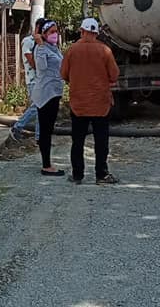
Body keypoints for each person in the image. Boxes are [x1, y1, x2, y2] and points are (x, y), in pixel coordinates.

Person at [60, 17, 120, 186]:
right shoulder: (105, 50)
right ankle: (101, 175)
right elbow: (114, 75)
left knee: (77, 142)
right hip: (101, 104)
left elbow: (63, 74)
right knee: (101, 141)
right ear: (96, 33)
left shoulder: (72, 50)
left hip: (78, 104)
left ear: (81, 31)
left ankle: (77, 175)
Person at [31, 20, 65, 176]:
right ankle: (46, 166)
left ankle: (48, 162)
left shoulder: (54, 48)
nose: (55, 34)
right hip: (46, 94)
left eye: (56, 31)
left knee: (48, 130)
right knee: (45, 131)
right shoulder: (41, 48)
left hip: (54, 93)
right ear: (43, 34)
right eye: (51, 32)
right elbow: (42, 67)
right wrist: (40, 44)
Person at [10, 17, 45, 142]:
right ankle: (17, 127)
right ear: (38, 28)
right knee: (37, 107)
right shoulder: (28, 41)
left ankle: (39, 137)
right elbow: (33, 64)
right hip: (33, 80)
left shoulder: (44, 43)